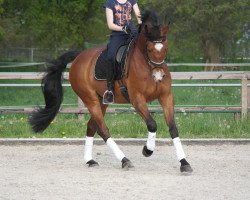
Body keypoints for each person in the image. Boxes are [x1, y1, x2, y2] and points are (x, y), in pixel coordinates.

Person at [103, 0, 141, 104]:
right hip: (118, 35)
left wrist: (143, 24)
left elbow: (139, 16)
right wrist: (123, 28)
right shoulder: (110, 3)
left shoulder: (132, 1)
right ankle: (110, 89)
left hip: (132, 33)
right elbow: (110, 25)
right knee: (110, 57)